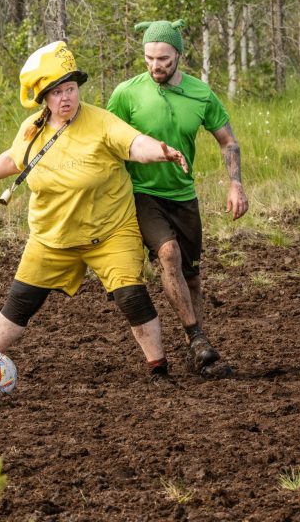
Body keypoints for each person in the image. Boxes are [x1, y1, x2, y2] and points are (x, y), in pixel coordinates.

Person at [0, 40, 190, 383]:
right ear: (44, 99)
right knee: (21, 302)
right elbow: (14, 158)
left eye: (71, 89)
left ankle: (159, 369)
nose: (66, 97)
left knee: (131, 295)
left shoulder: (101, 122)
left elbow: (135, 143)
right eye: (58, 92)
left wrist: (161, 151)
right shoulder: (33, 128)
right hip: (52, 236)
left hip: (109, 232)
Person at [107, 19, 249, 378]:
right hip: (142, 194)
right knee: (168, 253)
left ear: (179, 56)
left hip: (183, 196)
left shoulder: (201, 94)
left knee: (192, 276)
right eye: (149, 58)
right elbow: (106, 142)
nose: (156, 66)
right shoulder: (126, 93)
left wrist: (236, 185)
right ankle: (197, 337)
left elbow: (228, 141)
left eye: (164, 59)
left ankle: (197, 351)